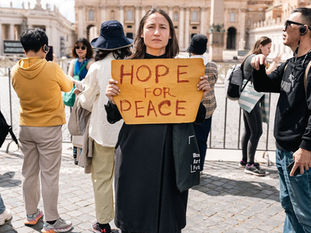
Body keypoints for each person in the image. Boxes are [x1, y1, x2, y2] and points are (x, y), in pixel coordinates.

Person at [105, 8, 210, 233]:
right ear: (141, 33)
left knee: (168, 218)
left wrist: (202, 95)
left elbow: (198, 117)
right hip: (135, 151)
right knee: (134, 214)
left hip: (172, 152)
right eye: (150, 27)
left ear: (171, 34)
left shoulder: (186, 70)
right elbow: (113, 117)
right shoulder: (126, 69)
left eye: (163, 27)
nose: (156, 32)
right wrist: (113, 98)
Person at [251, 8, 311, 232]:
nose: (283, 28)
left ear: (304, 30)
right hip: (282, 151)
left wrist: (306, 147)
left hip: (300, 156)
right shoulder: (289, 63)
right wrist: (258, 66)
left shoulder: (310, 66)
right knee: (289, 206)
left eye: (288, 24)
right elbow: (263, 85)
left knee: (306, 214)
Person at [11, 28, 73, 232]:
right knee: (49, 175)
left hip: (26, 127)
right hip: (49, 128)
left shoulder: (14, 70)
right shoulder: (52, 68)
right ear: (44, 47)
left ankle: (31, 214)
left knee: (28, 173)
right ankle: (53, 221)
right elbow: (67, 87)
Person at [76, 20, 132, 233]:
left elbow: (87, 102)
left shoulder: (97, 67)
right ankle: (127, 219)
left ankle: (103, 223)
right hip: (130, 133)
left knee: (102, 177)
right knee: (128, 178)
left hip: (103, 133)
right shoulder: (133, 65)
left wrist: (80, 96)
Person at [238, 36, 279, 176]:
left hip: (245, 98)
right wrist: (273, 65)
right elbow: (265, 78)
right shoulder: (256, 58)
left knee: (248, 130)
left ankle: (245, 160)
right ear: (261, 46)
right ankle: (250, 165)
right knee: (257, 131)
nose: (269, 51)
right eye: (268, 48)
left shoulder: (249, 56)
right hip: (251, 99)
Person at [188, 34, 218, 172]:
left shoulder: (185, 66)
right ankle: (199, 167)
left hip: (187, 109)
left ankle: (188, 166)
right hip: (207, 108)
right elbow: (214, 82)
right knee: (202, 140)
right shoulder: (212, 66)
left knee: (187, 139)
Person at [68, 38, 94, 165]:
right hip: (75, 96)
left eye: (83, 47)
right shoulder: (73, 62)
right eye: (77, 47)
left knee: (86, 123)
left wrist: (78, 84)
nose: (80, 50)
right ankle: (76, 152)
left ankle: (86, 150)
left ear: (88, 49)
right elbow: (69, 76)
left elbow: (91, 80)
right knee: (76, 122)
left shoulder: (91, 62)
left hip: (86, 95)